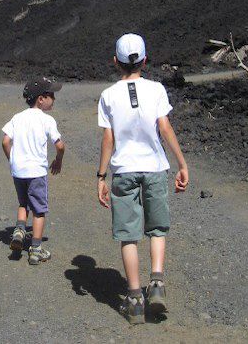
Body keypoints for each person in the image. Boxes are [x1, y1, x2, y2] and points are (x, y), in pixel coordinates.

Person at [95, 34, 190, 324]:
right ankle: (157, 283)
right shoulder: (157, 89)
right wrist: (181, 163)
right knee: (157, 228)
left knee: (128, 236)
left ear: (115, 62)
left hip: (123, 170)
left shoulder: (108, 95)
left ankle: (135, 299)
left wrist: (101, 175)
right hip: (154, 168)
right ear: (145, 60)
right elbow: (164, 126)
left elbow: (108, 138)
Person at [2, 77, 65, 265]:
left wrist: (13, 160)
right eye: (51, 95)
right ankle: (36, 249)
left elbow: (5, 141)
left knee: (23, 203)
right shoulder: (47, 120)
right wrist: (58, 160)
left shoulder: (17, 117)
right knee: (39, 210)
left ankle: (20, 231)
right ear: (41, 99)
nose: (54, 98)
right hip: (36, 171)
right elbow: (60, 145)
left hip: (19, 171)